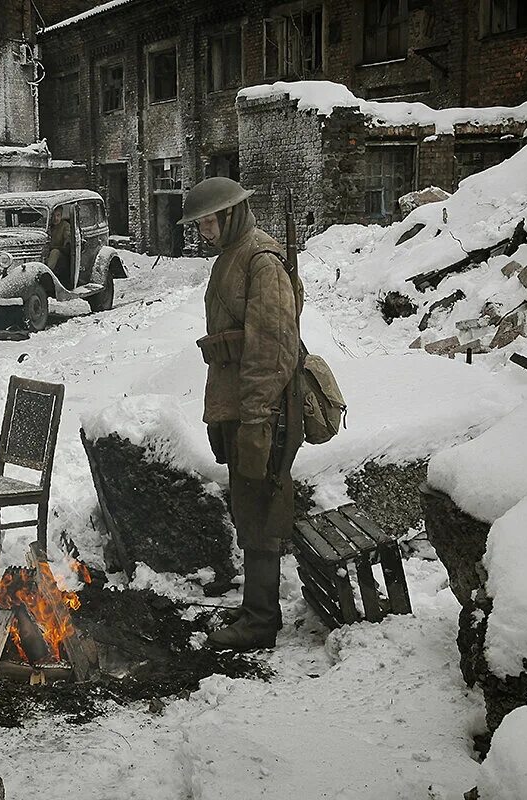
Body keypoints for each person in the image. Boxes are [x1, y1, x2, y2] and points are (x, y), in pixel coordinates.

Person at [181, 177, 304, 651]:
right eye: (199, 223)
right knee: (248, 504)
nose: (204, 231)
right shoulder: (232, 258)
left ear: (230, 214)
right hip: (239, 407)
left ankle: (260, 621)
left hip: (262, 409)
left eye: (209, 220)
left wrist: (256, 419)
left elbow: (271, 349)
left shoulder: (261, 259)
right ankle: (256, 607)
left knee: (261, 506)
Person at [45, 206, 74, 287]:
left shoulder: (65, 226)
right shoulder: (47, 227)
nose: (56, 218)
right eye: (53, 216)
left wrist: (65, 244)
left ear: (61, 216)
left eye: (58, 215)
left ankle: (47, 273)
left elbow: (68, 239)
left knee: (55, 252)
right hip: (47, 253)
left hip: (61, 255)